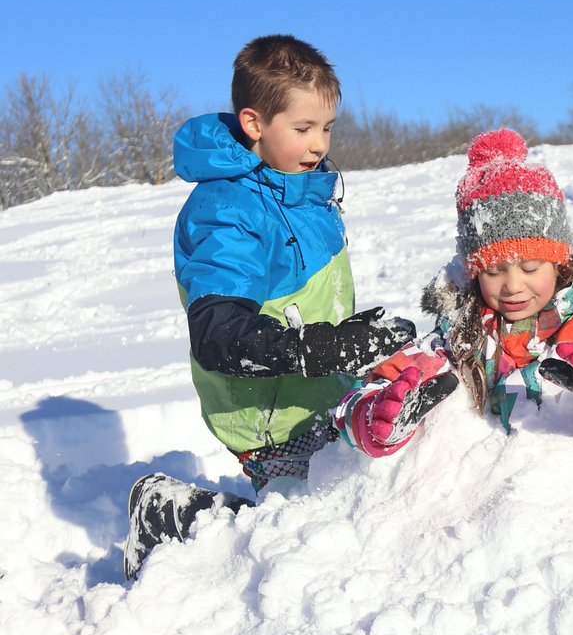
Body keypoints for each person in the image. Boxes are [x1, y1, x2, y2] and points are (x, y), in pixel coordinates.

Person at [123, 35, 414, 580]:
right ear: (255, 124)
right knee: (303, 530)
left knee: (364, 497)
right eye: (302, 129)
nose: (318, 144)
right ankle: (177, 519)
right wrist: (316, 348)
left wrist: (354, 341)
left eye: (326, 127)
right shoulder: (227, 211)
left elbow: (301, 300)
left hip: (316, 393)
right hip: (268, 413)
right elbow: (218, 332)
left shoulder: (303, 193)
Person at [333, 129, 573, 457]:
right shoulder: (459, 333)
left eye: (530, 268)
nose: (512, 285)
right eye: (493, 270)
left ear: (559, 264)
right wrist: (373, 419)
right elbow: (371, 389)